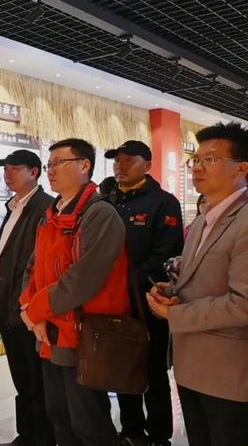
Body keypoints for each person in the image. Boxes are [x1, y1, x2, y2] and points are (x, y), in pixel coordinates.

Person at [19, 138, 130, 446]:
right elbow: (33, 267)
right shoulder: (51, 213)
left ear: (85, 165)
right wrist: (28, 308)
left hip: (82, 335)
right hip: (49, 332)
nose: (51, 170)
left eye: (59, 163)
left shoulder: (99, 214)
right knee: (59, 414)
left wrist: (36, 310)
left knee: (88, 422)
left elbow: (83, 279)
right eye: (49, 164)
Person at [147, 122, 248, 446]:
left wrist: (175, 314)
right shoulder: (204, 219)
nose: (198, 167)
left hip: (230, 374)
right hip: (191, 367)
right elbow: (200, 279)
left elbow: (243, 304)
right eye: (196, 160)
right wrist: (172, 291)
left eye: (211, 159)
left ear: (242, 168)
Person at [102, 141, 183, 446]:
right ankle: (131, 430)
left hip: (149, 301)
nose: (119, 166)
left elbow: (166, 252)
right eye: (116, 161)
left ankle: (159, 435)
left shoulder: (163, 202)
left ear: (147, 165)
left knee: (153, 370)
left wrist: (130, 282)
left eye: (128, 161)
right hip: (113, 301)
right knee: (123, 367)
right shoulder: (109, 200)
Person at [0, 150, 55, 446]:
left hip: (29, 308)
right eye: (5, 169)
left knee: (37, 380)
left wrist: (30, 305)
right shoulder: (15, 206)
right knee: (22, 378)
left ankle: (42, 438)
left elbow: (40, 263)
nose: (7, 174)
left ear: (34, 172)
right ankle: (27, 435)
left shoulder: (45, 207)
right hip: (9, 306)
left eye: (14, 169)